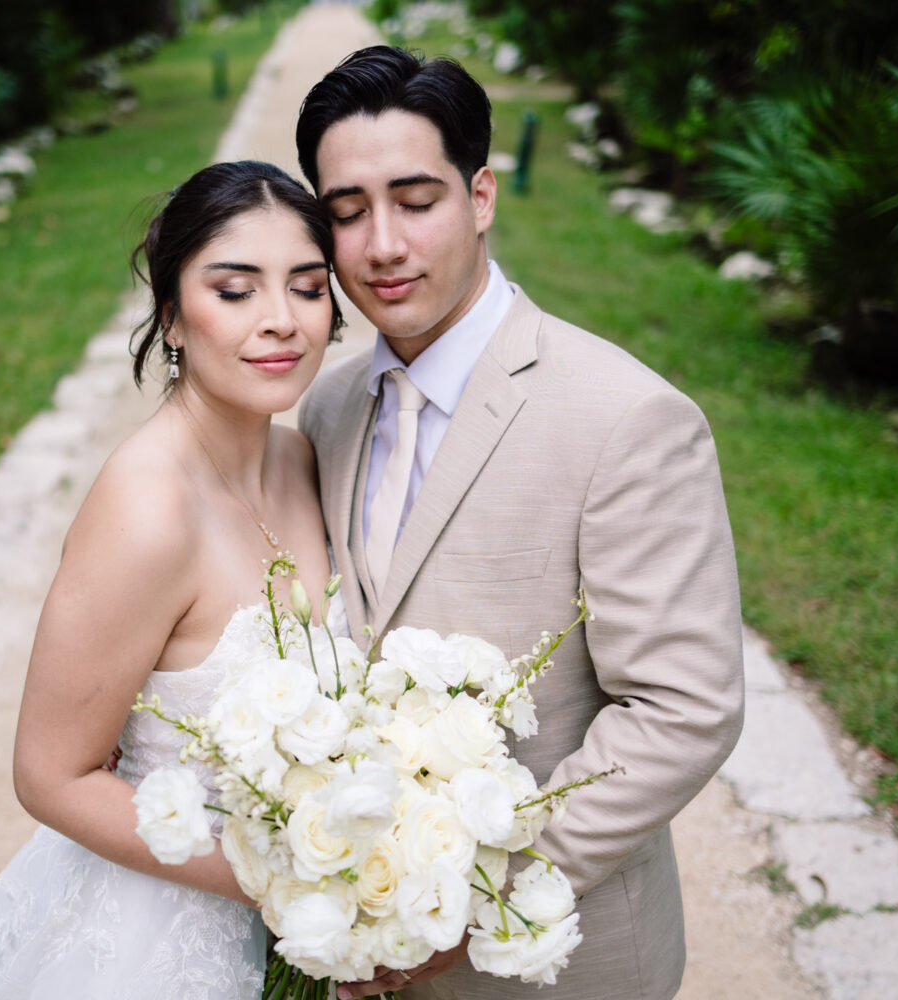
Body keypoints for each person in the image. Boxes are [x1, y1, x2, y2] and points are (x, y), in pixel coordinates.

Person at [294, 47, 745, 1000]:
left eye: (416, 201)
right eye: (347, 213)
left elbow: (683, 709)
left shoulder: (626, 417)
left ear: (482, 195)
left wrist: (470, 906)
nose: (381, 245)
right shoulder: (329, 410)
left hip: (554, 962)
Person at [0, 160, 342, 1000]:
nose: (281, 321)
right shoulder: (146, 507)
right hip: (161, 931)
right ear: (171, 318)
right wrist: (290, 879)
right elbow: (50, 775)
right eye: (235, 291)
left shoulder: (301, 457)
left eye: (308, 288)